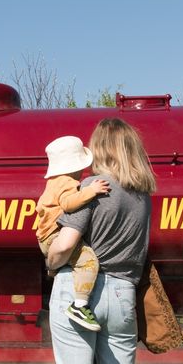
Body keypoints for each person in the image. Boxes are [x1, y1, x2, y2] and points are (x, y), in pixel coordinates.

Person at [46, 118, 156, 364]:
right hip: (123, 294)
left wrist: (50, 259)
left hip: (80, 290)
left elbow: (65, 245)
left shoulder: (91, 191)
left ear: (100, 148)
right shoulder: (143, 195)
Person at [35, 136, 110, 331]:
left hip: (45, 237)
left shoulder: (52, 182)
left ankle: (54, 269)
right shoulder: (67, 182)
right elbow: (69, 203)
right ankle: (80, 305)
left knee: (67, 260)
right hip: (55, 236)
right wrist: (91, 191)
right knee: (89, 262)